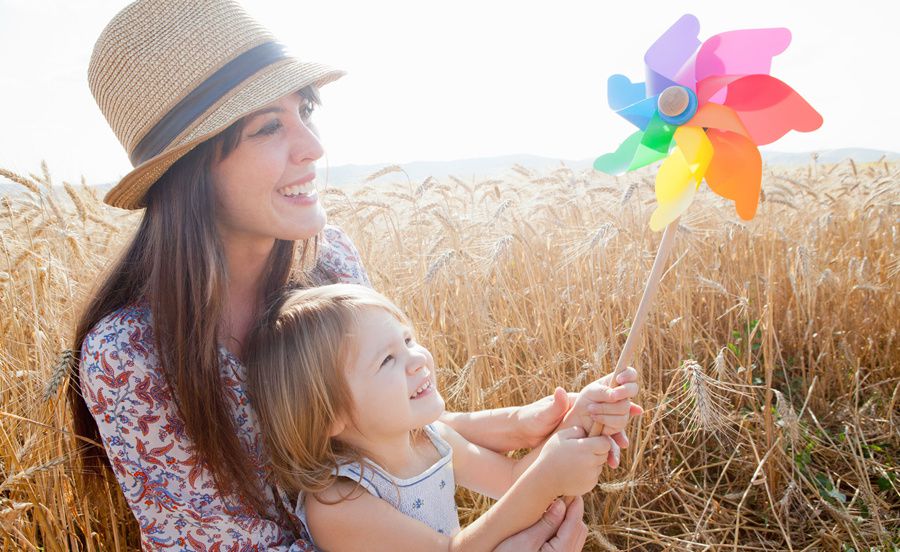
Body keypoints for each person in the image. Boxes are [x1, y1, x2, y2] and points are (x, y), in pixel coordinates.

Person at [69, 0, 642, 550]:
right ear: (191, 169)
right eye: (269, 127)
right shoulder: (130, 357)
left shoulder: (329, 260)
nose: (313, 147)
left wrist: (525, 427)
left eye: (306, 110)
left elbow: (372, 431)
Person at [243, 284, 635, 551]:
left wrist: (582, 414)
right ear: (328, 415)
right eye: (387, 359)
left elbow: (512, 480)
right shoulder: (338, 500)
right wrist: (548, 475)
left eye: (409, 340)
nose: (417, 359)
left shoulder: (432, 439)